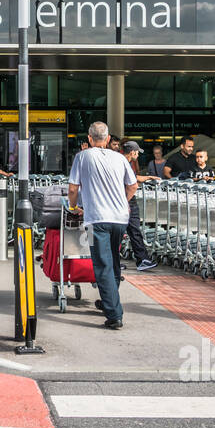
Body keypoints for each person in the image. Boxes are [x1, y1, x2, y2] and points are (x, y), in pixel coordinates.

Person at [67, 122, 138, 329]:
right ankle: (110, 301)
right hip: (120, 218)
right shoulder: (119, 158)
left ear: (90, 138)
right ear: (107, 139)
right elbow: (133, 185)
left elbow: (73, 189)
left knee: (102, 264)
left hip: (96, 218)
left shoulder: (82, 157)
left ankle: (114, 314)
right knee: (114, 260)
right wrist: (123, 201)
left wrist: (73, 207)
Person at [121, 141, 159, 273]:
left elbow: (133, 178)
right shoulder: (125, 163)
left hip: (121, 200)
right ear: (132, 152)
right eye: (137, 152)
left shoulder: (121, 162)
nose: (138, 155)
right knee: (134, 230)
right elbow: (133, 185)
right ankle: (142, 260)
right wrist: (125, 202)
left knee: (122, 232)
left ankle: (117, 260)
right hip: (127, 201)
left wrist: (147, 177)